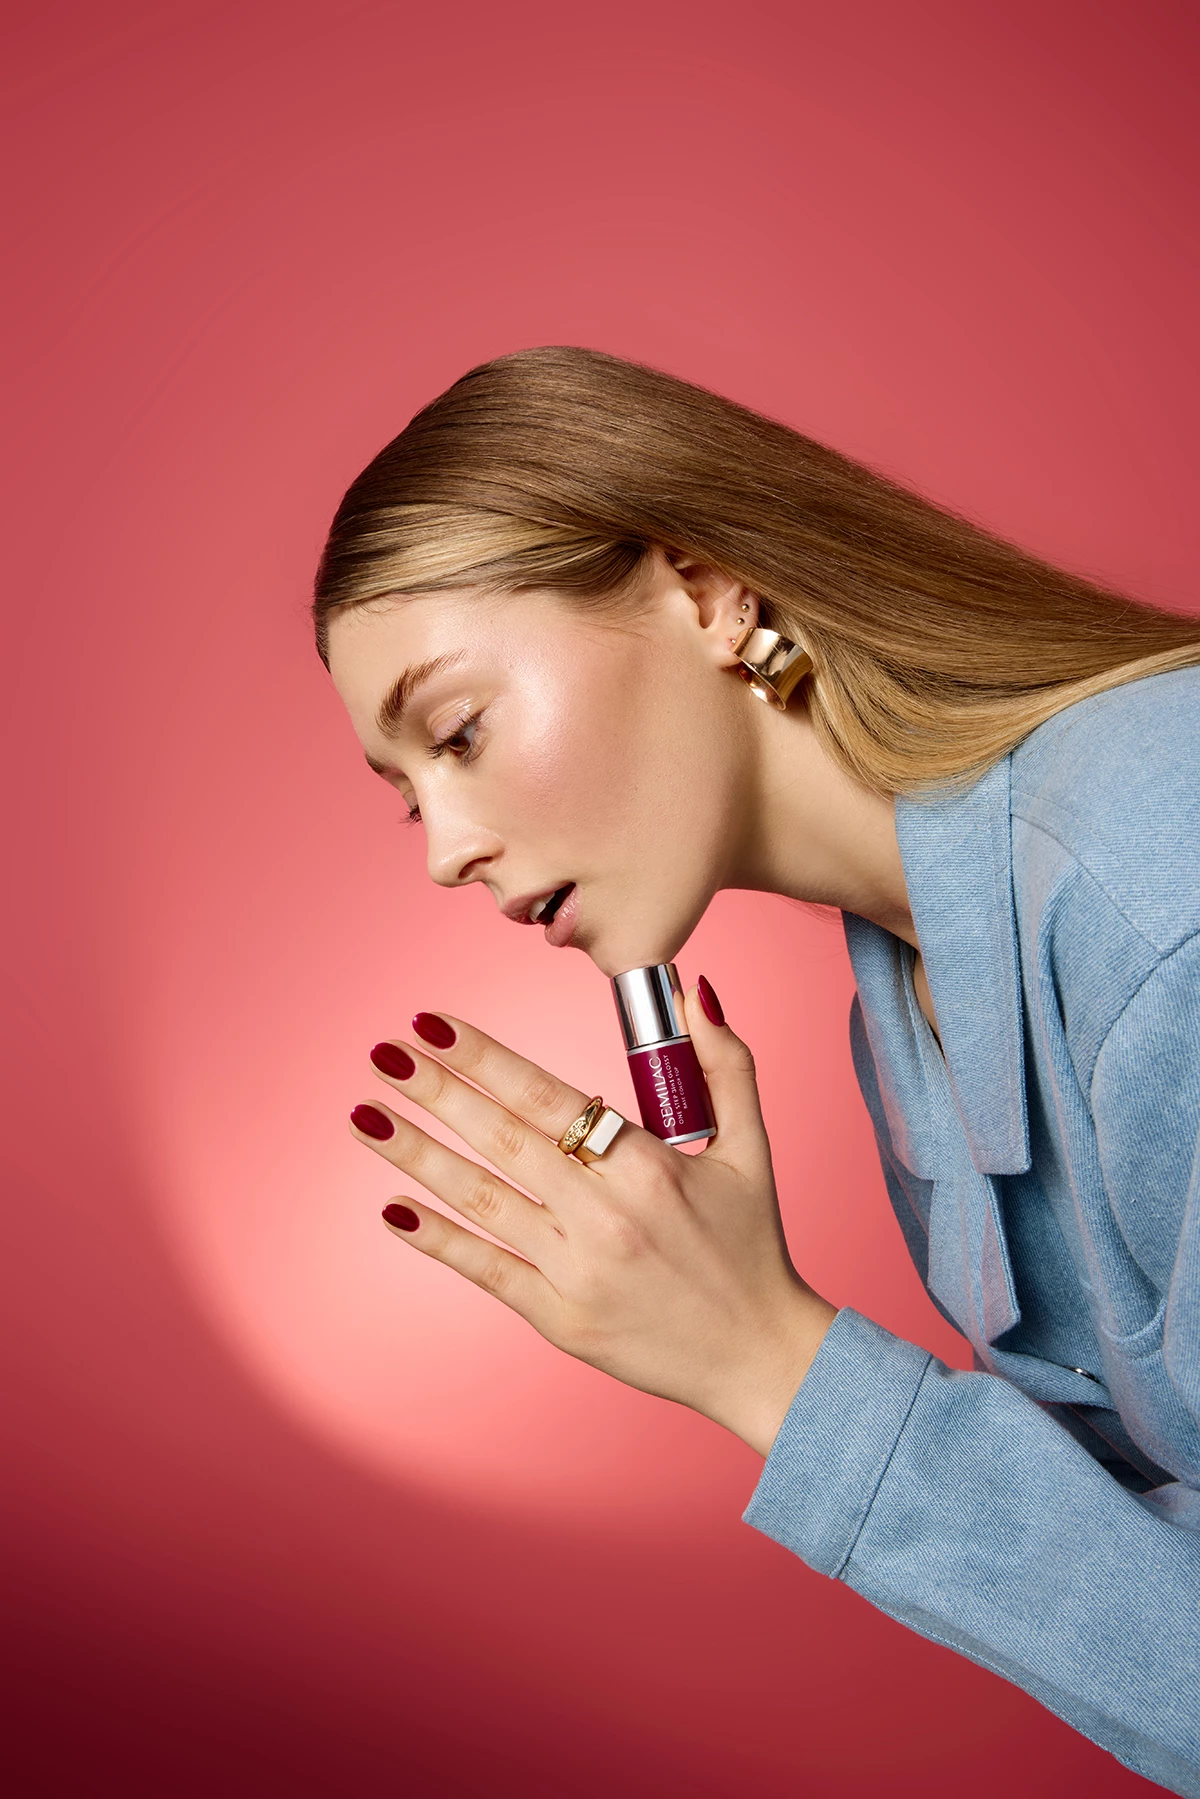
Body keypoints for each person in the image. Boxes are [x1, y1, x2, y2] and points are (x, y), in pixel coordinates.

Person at [312, 347, 1200, 1795]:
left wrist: (768, 1359)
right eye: (410, 794)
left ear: (707, 589)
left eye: (460, 733)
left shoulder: (1161, 900)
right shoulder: (909, 1003)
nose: (446, 850)